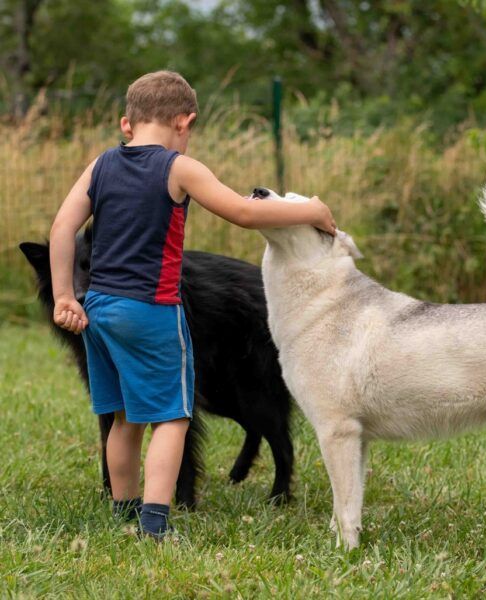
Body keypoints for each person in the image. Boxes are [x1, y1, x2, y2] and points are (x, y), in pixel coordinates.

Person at [49, 70, 336, 539]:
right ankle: (155, 525)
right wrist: (312, 211)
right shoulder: (178, 167)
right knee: (171, 417)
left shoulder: (100, 165)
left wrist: (65, 295)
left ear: (127, 124)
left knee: (121, 417)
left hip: (99, 309)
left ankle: (123, 511)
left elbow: (62, 229)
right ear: (186, 122)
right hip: (151, 310)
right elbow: (244, 212)